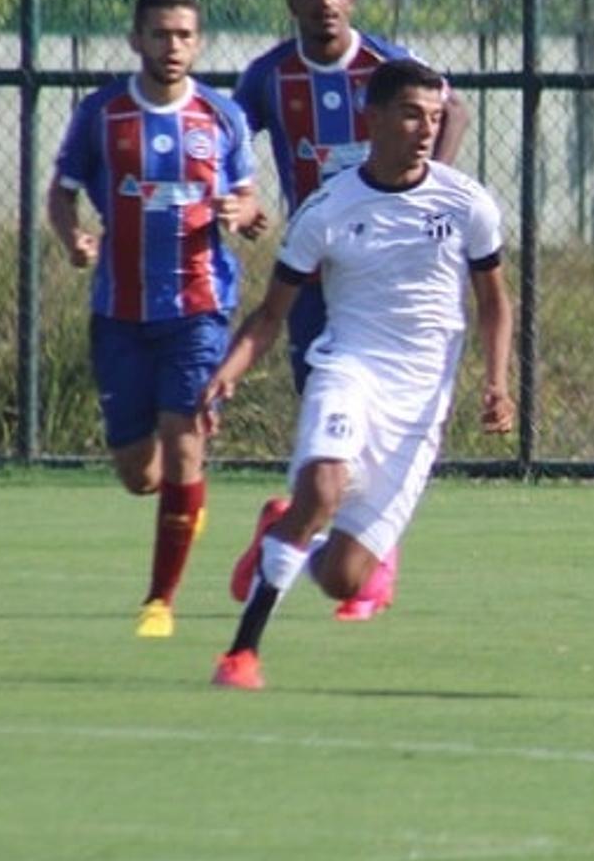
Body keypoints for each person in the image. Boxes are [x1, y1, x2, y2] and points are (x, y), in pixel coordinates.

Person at [200, 59, 513, 691]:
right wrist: (227, 373)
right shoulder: (328, 209)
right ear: (373, 117)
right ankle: (241, 654)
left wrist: (498, 383)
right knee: (320, 490)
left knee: (344, 576)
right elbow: (272, 314)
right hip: (349, 369)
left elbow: (494, 303)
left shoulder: (467, 203)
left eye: (434, 117)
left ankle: (281, 537)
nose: (426, 129)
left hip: (421, 403)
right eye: (410, 114)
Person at [231, 0, 472, 621]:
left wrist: (425, 191)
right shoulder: (269, 75)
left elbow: (455, 108)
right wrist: (244, 196)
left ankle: (364, 565)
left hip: (384, 264)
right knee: (330, 405)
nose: (326, 3)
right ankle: (306, 533)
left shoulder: (386, 65)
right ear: (294, 4)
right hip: (318, 261)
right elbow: (225, 137)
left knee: (386, 420)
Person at [45, 0, 262, 638]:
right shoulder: (102, 114)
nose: (173, 46)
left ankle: (158, 602)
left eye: (185, 35)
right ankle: (183, 498)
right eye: (161, 34)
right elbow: (62, 193)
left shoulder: (222, 117)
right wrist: (73, 237)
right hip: (120, 314)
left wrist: (240, 210)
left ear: (199, 42)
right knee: (139, 473)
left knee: (185, 444)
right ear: (136, 39)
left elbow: (251, 200)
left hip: (198, 312)